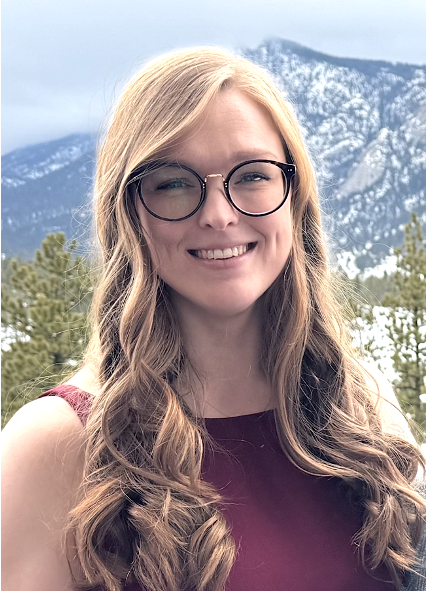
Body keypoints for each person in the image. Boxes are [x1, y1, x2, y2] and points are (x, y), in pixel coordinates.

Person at [1, 47, 425, 592]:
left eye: (251, 175)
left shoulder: (363, 410)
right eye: (174, 182)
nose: (220, 214)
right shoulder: (56, 445)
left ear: (294, 198)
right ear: (127, 213)